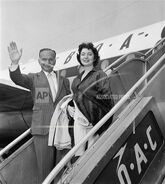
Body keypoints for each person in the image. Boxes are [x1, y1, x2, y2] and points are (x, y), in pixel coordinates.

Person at [8, 41, 71, 183]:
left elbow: (68, 101)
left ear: (55, 60)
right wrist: (14, 63)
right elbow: (17, 79)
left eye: (51, 59)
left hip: (61, 130)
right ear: (39, 61)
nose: (47, 62)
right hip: (42, 130)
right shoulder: (33, 78)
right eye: (44, 59)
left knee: (63, 167)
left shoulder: (64, 80)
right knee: (45, 170)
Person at [49, 42, 114, 163]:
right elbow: (74, 98)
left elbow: (107, 99)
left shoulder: (99, 74)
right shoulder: (77, 79)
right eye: (83, 54)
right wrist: (68, 107)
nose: (86, 56)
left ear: (94, 57)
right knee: (79, 153)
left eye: (89, 54)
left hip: (93, 120)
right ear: (79, 57)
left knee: (93, 154)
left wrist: (96, 119)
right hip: (79, 120)